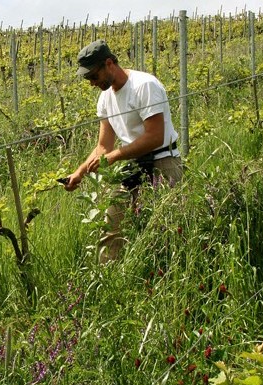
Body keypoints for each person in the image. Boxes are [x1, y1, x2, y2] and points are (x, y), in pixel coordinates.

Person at [61, 40, 183, 263]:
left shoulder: (144, 86)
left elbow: (155, 137)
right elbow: (103, 146)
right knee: (112, 225)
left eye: (93, 77)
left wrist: (115, 156)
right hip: (132, 163)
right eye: (87, 79)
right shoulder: (105, 98)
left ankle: (166, 273)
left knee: (166, 227)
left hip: (163, 160)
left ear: (109, 64)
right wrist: (79, 173)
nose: (92, 83)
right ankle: (111, 275)